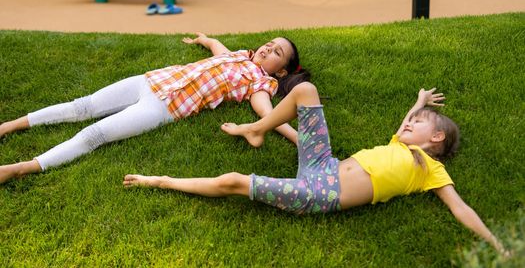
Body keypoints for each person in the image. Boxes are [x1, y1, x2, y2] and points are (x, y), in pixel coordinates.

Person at [124, 83, 508, 254]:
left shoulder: (430, 171)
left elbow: (461, 208)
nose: (407, 124)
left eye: (418, 123)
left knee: (234, 182)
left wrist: (496, 245)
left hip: (320, 195)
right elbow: (408, 119)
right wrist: (419, 101)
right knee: (306, 92)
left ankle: (159, 180)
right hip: (321, 164)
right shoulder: (399, 142)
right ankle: (255, 130)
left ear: (436, 140)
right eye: (409, 121)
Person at [0, 33, 309, 184]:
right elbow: (217, 47)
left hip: (163, 107)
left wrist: (301, 140)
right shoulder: (239, 55)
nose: (268, 49)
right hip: (150, 81)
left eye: (276, 52)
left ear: (280, 72)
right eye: (269, 44)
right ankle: (10, 125)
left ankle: (22, 167)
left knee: (94, 134)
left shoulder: (258, 84)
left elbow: (268, 115)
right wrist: (203, 38)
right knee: (83, 105)